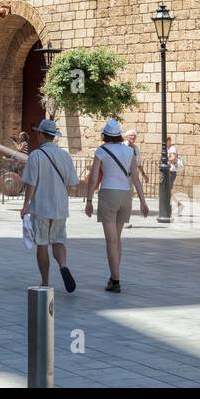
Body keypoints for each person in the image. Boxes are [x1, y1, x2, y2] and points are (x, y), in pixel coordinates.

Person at [83, 119, 149, 292]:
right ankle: (114, 276)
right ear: (119, 135)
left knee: (111, 241)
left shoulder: (101, 151)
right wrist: (143, 201)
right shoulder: (129, 151)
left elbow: (94, 178)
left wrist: (89, 201)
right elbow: (135, 178)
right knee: (117, 240)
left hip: (109, 194)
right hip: (126, 195)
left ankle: (116, 280)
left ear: (105, 135)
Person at [22, 118, 77, 292]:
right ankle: (63, 265)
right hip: (60, 206)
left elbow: (31, 183)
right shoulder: (65, 155)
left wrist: (26, 205)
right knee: (59, 240)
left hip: (42, 207)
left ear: (40, 134)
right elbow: (71, 183)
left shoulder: (36, 155)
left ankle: (45, 281)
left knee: (42, 243)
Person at [165, 135, 182, 217]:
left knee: (168, 191)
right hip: (168, 171)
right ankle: (178, 205)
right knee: (168, 191)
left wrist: (164, 159)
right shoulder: (168, 149)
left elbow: (173, 158)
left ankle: (170, 207)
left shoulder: (172, 149)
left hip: (171, 172)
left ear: (169, 141)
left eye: (166, 141)